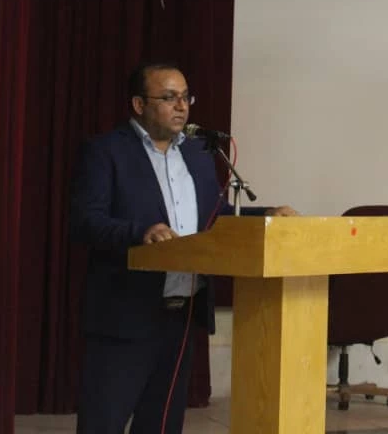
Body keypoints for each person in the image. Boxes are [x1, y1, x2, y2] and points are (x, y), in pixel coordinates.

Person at [71, 61, 298, 434]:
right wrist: (140, 233)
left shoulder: (197, 154)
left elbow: (214, 217)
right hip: (125, 311)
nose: (181, 106)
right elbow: (85, 221)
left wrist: (266, 215)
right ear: (139, 104)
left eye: (186, 97)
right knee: (103, 423)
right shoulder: (106, 151)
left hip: (182, 312)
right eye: (168, 97)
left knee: (162, 424)